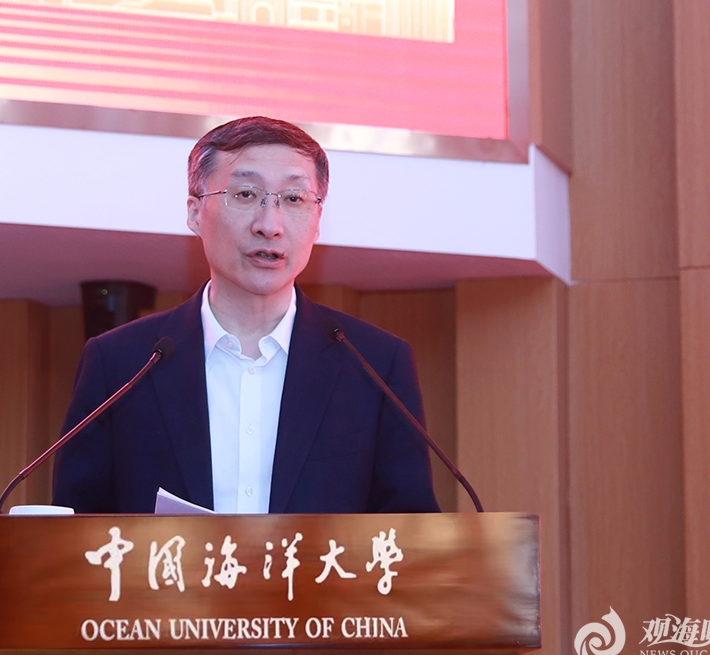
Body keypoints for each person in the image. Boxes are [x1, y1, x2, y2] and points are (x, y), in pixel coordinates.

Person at [52, 116, 439, 514]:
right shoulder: (122, 363)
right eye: (246, 194)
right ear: (195, 213)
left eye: (294, 199)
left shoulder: (374, 364)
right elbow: (74, 526)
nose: (269, 225)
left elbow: (411, 529)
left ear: (317, 220)